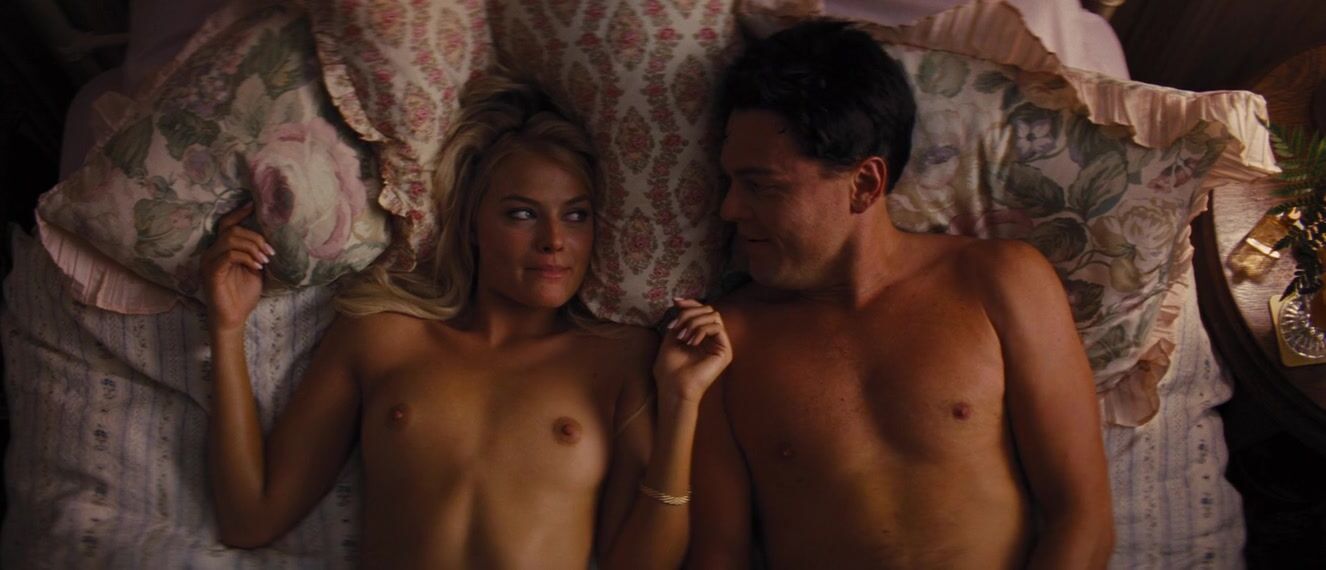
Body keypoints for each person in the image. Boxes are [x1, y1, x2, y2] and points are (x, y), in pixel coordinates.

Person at [202, 71, 732, 568]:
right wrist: (228, 328)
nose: (554, 240)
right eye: (522, 214)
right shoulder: (381, 337)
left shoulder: (620, 358)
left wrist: (682, 402)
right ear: (473, 224)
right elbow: (251, 519)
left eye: (576, 215)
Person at [687, 20, 1113, 569]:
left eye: (761, 186)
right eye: (729, 182)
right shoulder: (725, 342)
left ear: (865, 183)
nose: (729, 209)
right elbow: (719, 554)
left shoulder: (999, 282)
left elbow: (1082, 517)